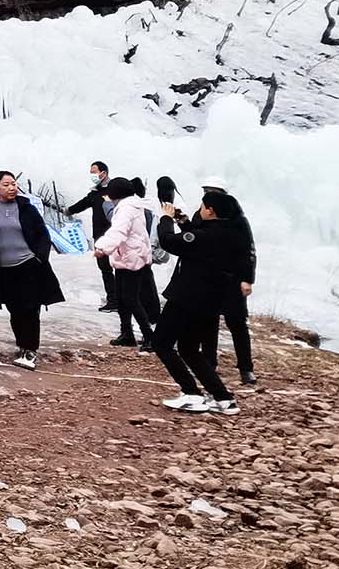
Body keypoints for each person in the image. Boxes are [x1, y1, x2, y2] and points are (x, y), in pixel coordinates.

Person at [151, 191, 250, 415]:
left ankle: (191, 393)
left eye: (203, 207)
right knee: (189, 349)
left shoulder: (207, 237)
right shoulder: (230, 233)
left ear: (210, 211)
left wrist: (165, 219)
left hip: (187, 297)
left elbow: (169, 241)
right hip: (210, 300)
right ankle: (224, 399)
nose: (201, 209)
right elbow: (196, 240)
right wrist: (182, 221)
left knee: (161, 343)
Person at [0, 171, 65, 370]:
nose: (11, 188)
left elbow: (43, 234)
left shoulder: (26, 208)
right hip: (3, 269)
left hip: (28, 265)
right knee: (15, 309)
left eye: (13, 184)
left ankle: (30, 349)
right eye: (6, 185)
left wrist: (39, 257)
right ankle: (21, 345)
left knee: (30, 308)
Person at [201, 177, 258, 385]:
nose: (208, 195)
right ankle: (209, 363)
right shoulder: (204, 214)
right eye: (206, 191)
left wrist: (247, 279)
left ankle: (246, 368)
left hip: (233, 280)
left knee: (237, 323)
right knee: (208, 322)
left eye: (213, 191)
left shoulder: (238, 220)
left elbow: (248, 251)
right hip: (208, 279)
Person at [92, 178, 158, 351]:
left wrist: (102, 247)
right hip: (127, 257)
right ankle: (127, 333)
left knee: (130, 299)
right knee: (122, 298)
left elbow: (118, 231)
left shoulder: (126, 209)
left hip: (131, 259)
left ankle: (149, 336)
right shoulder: (132, 205)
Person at [66, 161, 118, 312]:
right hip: (99, 236)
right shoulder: (95, 192)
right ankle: (113, 300)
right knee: (105, 269)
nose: (92, 175)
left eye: (94, 172)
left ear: (103, 173)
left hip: (114, 236)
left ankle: (124, 300)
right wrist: (69, 211)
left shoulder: (114, 190)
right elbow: (84, 203)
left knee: (120, 267)